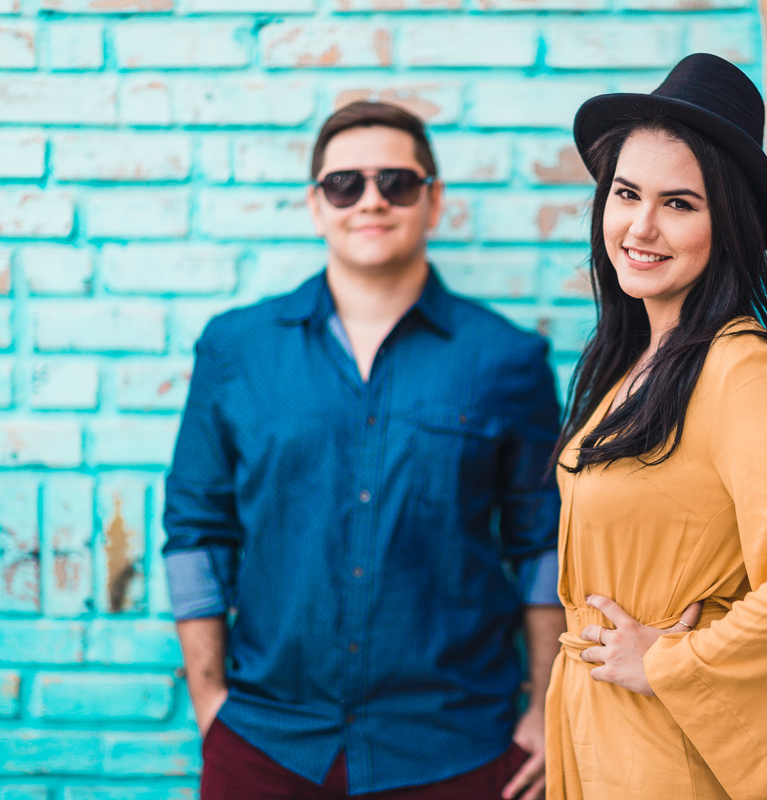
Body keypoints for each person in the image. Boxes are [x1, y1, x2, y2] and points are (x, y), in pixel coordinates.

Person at [163, 101, 566, 800]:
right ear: (317, 206)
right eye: (345, 184)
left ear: (433, 201)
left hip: (457, 748)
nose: (371, 201)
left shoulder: (508, 358)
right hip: (266, 743)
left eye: (397, 183)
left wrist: (545, 709)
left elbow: (544, 547)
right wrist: (210, 706)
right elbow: (195, 533)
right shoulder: (235, 349)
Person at [543, 54, 767, 800]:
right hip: (596, 734)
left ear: (727, 224)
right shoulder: (635, 364)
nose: (641, 226)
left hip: (662, 755)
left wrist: (667, 662)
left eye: (680, 204)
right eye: (626, 194)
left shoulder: (739, 374)